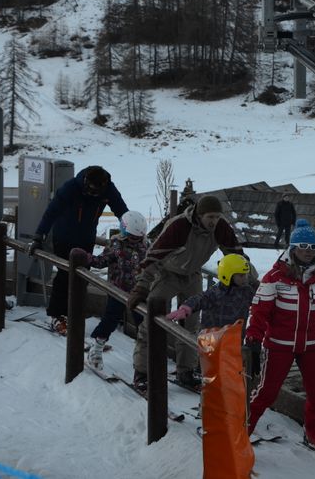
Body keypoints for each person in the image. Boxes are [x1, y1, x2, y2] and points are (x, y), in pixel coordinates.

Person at [245, 218, 315, 456]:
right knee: (266, 391)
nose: (308, 253)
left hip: (312, 345)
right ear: (292, 248)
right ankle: (240, 430)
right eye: (303, 247)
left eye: (312, 249)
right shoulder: (275, 277)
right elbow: (259, 311)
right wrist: (254, 339)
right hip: (279, 344)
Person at [127, 195, 244, 392]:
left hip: (193, 275)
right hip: (167, 273)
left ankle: (185, 371)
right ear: (199, 215)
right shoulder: (179, 226)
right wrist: (142, 286)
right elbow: (153, 257)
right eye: (210, 217)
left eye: (217, 217)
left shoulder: (220, 227)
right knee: (152, 322)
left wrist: (247, 281)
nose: (214, 221)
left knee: (190, 325)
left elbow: (236, 254)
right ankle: (142, 373)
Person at [167, 253, 257, 479]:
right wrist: (186, 308)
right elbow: (198, 299)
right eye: (240, 276)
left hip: (234, 347)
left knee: (235, 382)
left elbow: (263, 298)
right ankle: (209, 414)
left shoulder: (247, 292)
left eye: (246, 275)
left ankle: (236, 421)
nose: (245, 279)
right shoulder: (215, 293)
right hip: (211, 346)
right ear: (227, 276)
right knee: (213, 382)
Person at [29, 166, 128, 335]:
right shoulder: (71, 188)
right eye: (91, 192)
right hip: (64, 236)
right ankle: (55, 314)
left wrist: (130, 231)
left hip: (86, 238)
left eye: (97, 193)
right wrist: (39, 235)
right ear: (85, 183)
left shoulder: (108, 188)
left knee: (83, 276)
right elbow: (51, 211)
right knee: (65, 274)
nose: (93, 195)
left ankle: (73, 312)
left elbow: (121, 210)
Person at [86, 211, 149, 371]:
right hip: (118, 290)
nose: (135, 241)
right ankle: (97, 349)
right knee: (110, 320)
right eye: (132, 237)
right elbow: (102, 261)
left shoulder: (146, 245)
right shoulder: (116, 244)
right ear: (124, 232)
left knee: (144, 325)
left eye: (138, 238)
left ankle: (144, 358)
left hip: (139, 292)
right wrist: (87, 258)